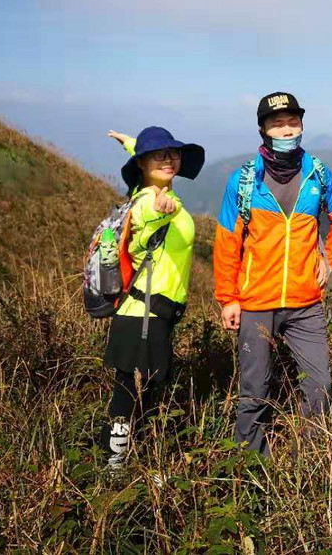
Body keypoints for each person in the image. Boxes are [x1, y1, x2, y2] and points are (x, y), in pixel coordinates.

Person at [213, 92, 332, 455]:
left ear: (302, 126)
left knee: (320, 386)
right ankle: (250, 469)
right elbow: (227, 242)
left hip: (306, 303)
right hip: (257, 302)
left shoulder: (317, 173)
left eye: (293, 122)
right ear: (263, 129)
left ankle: (306, 463)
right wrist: (228, 297)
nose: (286, 130)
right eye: (277, 124)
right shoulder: (242, 182)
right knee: (254, 391)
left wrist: (331, 260)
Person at [103, 126, 205, 470]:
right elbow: (146, 214)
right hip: (142, 315)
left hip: (150, 314)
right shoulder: (149, 200)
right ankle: (116, 465)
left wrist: (131, 143)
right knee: (133, 394)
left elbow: (152, 169)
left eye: (173, 153)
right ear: (142, 164)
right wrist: (160, 210)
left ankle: (131, 462)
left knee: (142, 391)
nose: (169, 159)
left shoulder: (150, 187)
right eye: (158, 154)